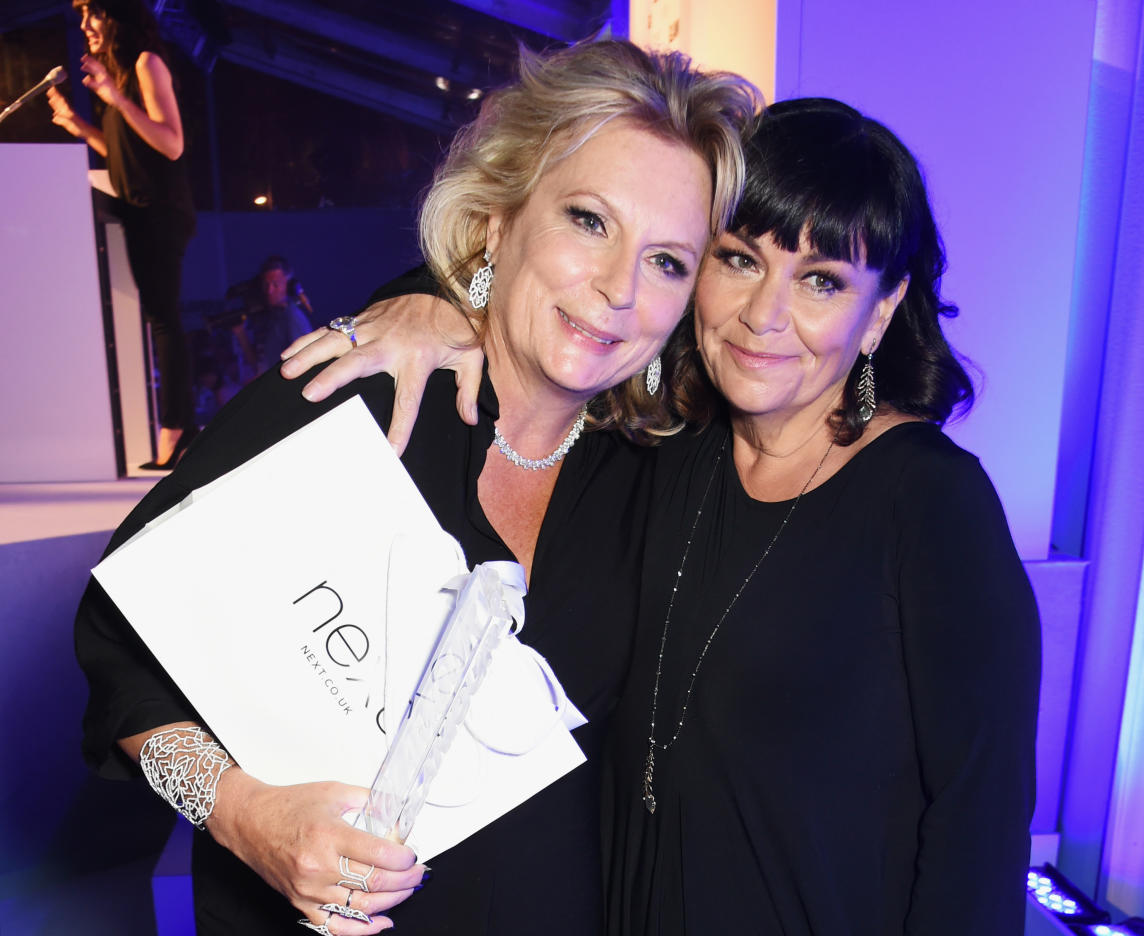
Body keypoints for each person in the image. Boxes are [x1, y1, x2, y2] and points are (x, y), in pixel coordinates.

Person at [282, 97, 1041, 933]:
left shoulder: (932, 505)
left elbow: (979, 827)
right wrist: (438, 305)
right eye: (740, 260)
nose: (766, 316)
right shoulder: (665, 449)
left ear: (882, 313)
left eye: (822, 281)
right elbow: (537, 291)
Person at [74, 39, 757, 936]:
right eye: (589, 220)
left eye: (669, 261)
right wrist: (240, 815)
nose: (619, 288)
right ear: (499, 220)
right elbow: (120, 642)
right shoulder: (358, 395)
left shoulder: (653, 469)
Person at [48, 0, 197, 469]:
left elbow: (171, 143)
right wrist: (81, 126)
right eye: (81, 16)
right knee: (160, 317)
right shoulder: (119, 78)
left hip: (160, 211)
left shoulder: (145, 63)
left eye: (93, 13)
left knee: (164, 319)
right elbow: (122, 152)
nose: (85, 25)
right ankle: (178, 427)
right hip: (138, 208)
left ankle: (177, 427)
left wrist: (116, 97)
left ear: (117, 16)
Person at [227, 255, 314, 382]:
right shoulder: (271, 318)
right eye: (266, 285)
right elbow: (260, 364)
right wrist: (240, 333)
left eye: (275, 284)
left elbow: (306, 362)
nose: (269, 290)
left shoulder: (292, 317)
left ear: (287, 285)